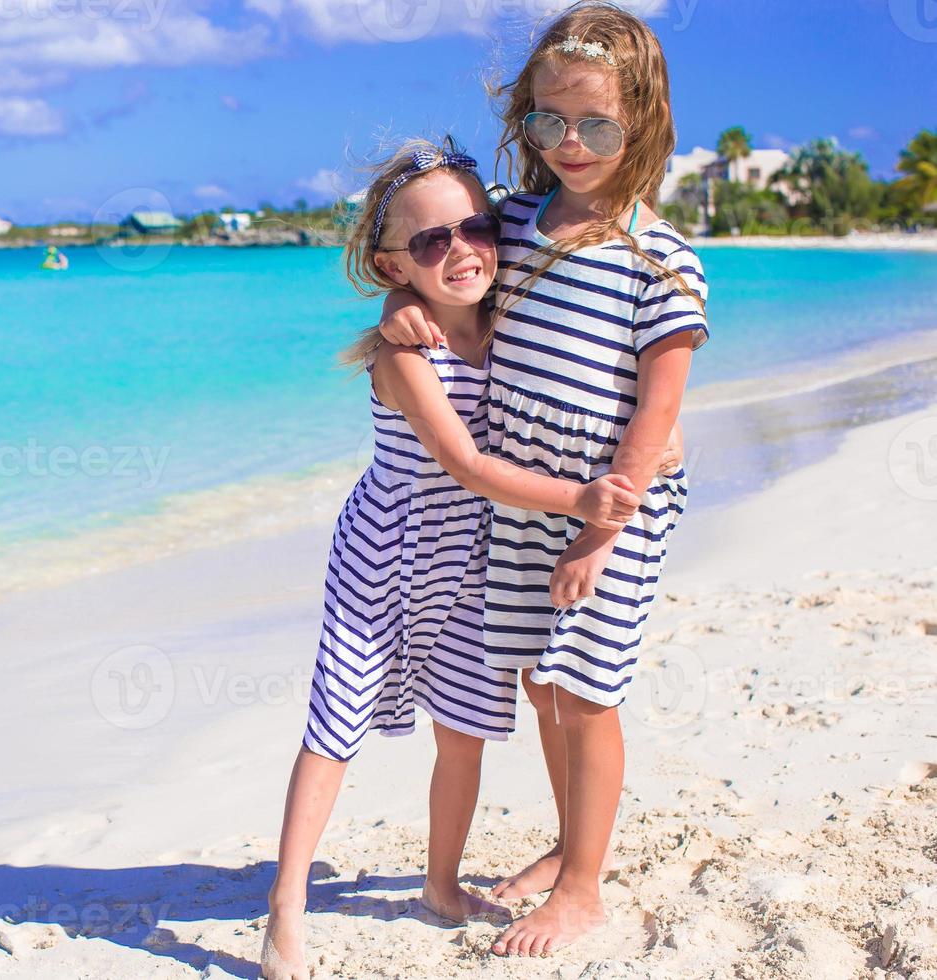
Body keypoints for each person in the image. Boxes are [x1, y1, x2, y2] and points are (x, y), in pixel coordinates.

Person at [260, 133, 682, 979]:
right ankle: (285, 909)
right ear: (391, 265)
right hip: (388, 555)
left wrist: (652, 440)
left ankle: (442, 885)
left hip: (474, 560)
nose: (460, 249)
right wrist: (584, 501)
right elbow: (466, 465)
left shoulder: (510, 312)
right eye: (429, 241)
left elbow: (594, 364)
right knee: (334, 724)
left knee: (464, 734)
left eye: (475, 227)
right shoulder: (402, 353)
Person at [376, 1, 710, 956]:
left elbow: (656, 411)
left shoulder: (664, 263)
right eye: (547, 120)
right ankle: (571, 849)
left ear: (642, 123)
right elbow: (448, 273)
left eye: (597, 124)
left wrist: (606, 529)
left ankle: (584, 890)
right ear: (523, 117)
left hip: (614, 503)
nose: (570, 142)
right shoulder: (514, 224)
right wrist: (406, 312)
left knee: (585, 690)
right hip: (521, 496)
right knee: (537, 678)